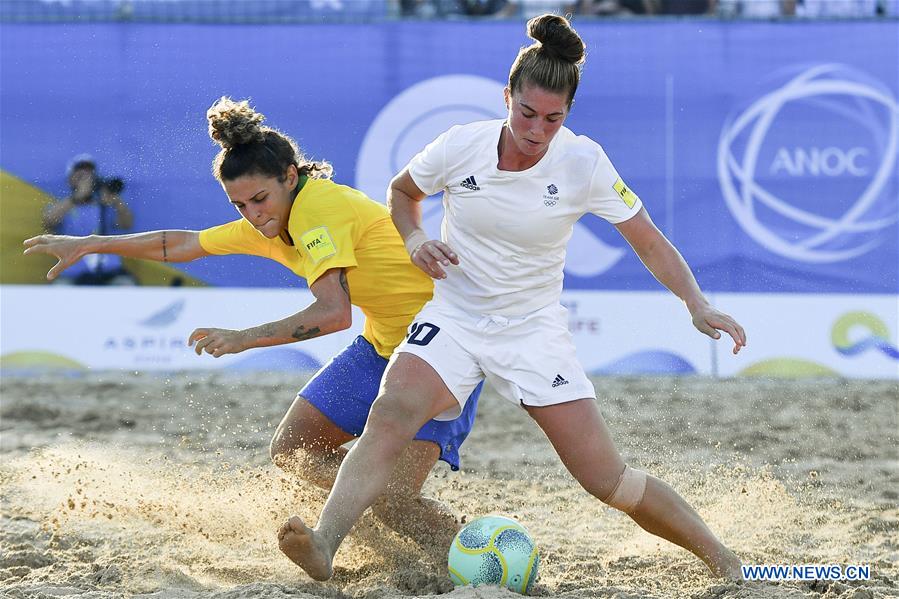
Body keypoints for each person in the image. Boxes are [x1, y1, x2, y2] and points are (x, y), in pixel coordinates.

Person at [277, 14, 747, 582]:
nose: (536, 130)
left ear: (568, 114)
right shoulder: (463, 145)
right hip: (454, 316)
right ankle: (325, 544)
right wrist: (417, 237)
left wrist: (696, 303)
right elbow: (403, 191)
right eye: (526, 113)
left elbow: (648, 240)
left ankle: (727, 563)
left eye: (553, 118)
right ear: (507, 97)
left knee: (608, 481)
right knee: (390, 414)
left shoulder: (583, 161)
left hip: (531, 331)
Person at [24, 97, 482, 554]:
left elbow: (332, 314)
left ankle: (468, 549)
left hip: (442, 350)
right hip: (382, 346)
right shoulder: (272, 219)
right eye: (239, 204)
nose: (253, 214)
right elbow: (182, 244)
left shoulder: (316, 209)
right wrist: (91, 242)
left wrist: (244, 338)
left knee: (394, 501)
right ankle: (372, 520)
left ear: (290, 175)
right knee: (295, 451)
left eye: (259, 199)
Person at [42, 154, 136, 285]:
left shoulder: (105, 205)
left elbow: (127, 224)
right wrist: (77, 196)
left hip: (110, 272)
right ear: (70, 179)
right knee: (60, 290)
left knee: (126, 287)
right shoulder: (63, 204)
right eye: (80, 174)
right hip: (71, 273)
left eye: (89, 174)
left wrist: (116, 200)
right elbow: (49, 221)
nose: (86, 177)